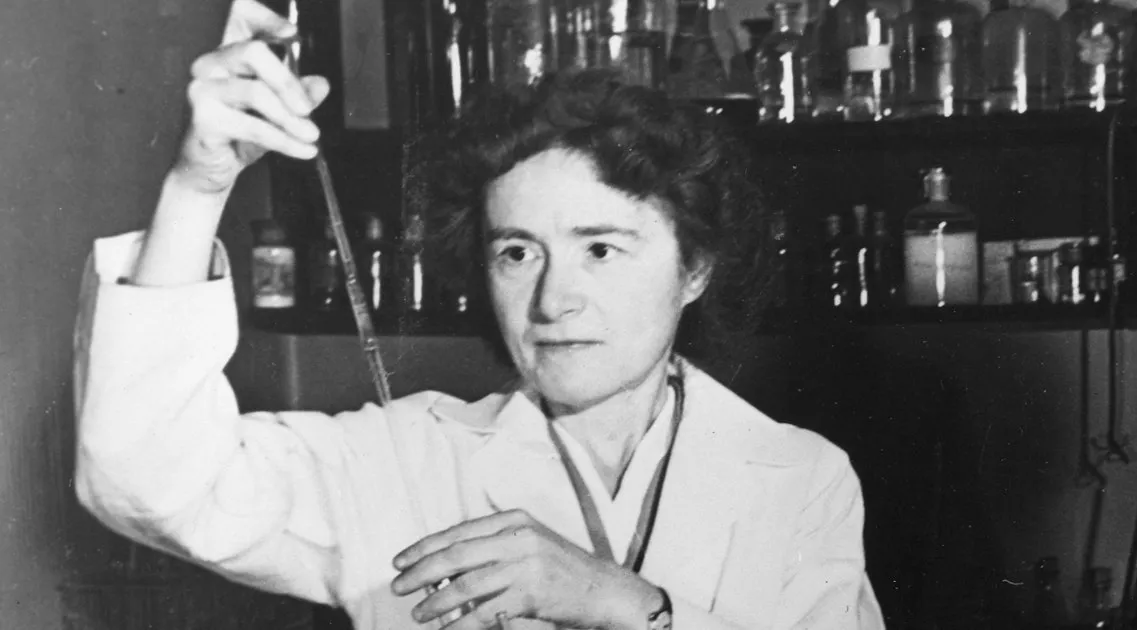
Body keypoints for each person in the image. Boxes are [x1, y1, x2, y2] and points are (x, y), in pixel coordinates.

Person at [72, 0, 884, 628]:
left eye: (602, 249)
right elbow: (146, 477)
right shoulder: (405, 458)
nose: (553, 300)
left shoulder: (800, 480)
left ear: (695, 268)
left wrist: (620, 603)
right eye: (518, 252)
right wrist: (199, 183)